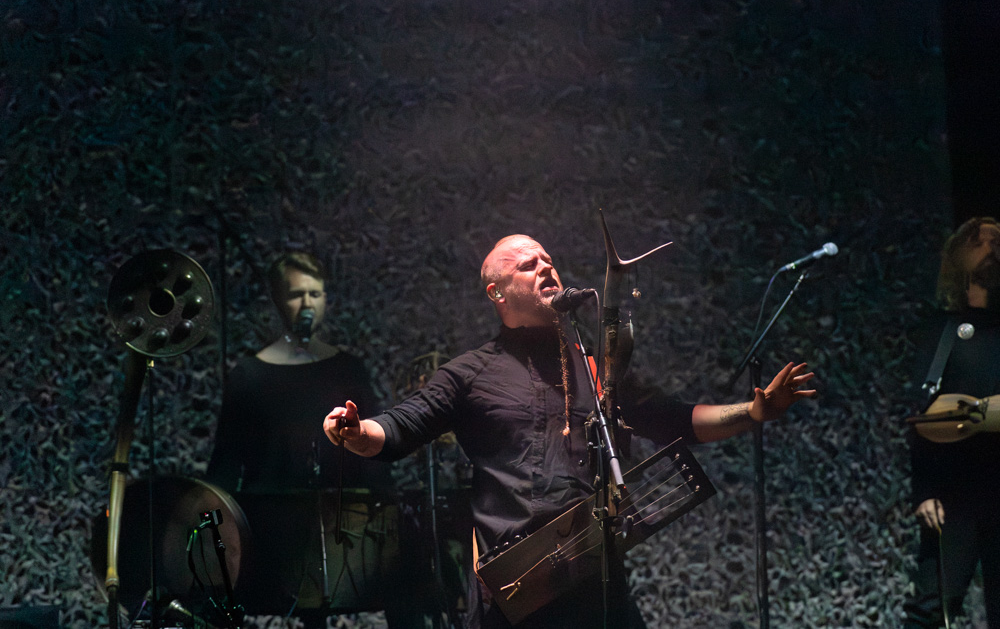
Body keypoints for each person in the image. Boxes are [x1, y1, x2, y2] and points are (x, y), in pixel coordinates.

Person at [323, 234, 817, 628]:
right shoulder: (470, 373)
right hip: (516, 591)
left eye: (548, 259)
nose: (545, 266)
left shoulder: (595, 367)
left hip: (594, 580)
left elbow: (675, 419)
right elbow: (400, 427)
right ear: (497, 293)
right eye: (527, 264)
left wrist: (753, 412)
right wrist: (354, 429)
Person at [207, 251, 410, 626]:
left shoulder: (347, 369)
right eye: (296, 294)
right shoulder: (249, 375)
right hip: (272, 530)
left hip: (341, 526)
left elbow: (371, 450)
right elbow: (228, 460)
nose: (307, 305)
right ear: (277, 300)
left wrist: (385, 515)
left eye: (315, 294)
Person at [903, 217, 1000, 628]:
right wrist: (924, 490)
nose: (992, 248)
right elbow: (922, 415)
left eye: (998, 242)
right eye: (981, 241)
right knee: (929, 611)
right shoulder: (941, 331)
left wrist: (971, 414)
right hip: (956, 494)